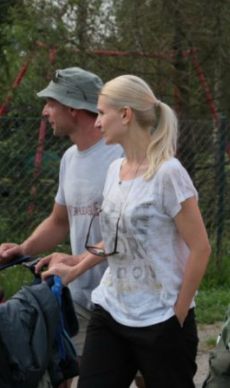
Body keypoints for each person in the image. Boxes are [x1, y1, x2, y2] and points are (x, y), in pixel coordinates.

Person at [40, 75, 211, 387]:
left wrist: (178, 314)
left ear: (126, 115)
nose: (99, 122)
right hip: (111, 310)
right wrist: (73, 269)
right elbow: (117, 240)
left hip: (161, 320)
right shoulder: (114, 171)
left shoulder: (168, 174)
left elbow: (201, 248)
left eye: (103, 113)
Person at [0, 67, 123, 361]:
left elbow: (126, 232)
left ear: (73, 108)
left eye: (51, 103)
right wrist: (23, 249)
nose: (45, 111)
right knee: (61, 370)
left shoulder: (121, 154)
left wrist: (77, 262)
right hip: (79, 297)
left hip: (125, 295)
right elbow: (59, 220)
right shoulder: (69, 158)